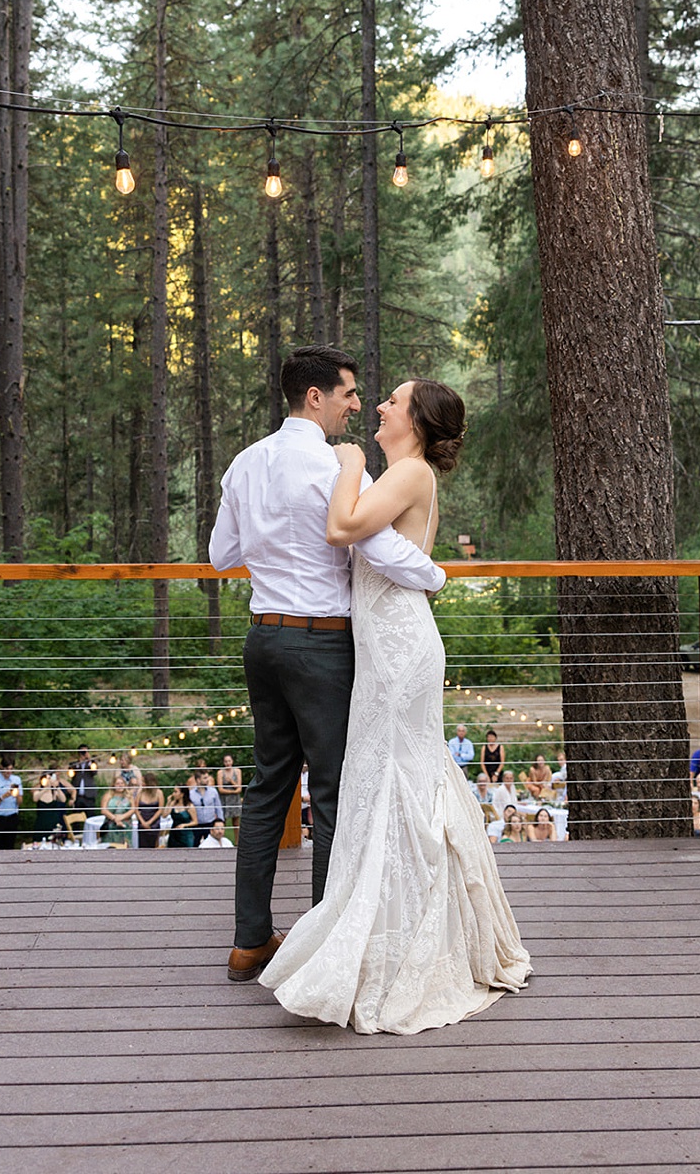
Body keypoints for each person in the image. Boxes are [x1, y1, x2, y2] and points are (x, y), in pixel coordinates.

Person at [260, 376, 531, 1033]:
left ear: (416, 421)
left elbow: (340, 527)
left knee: (399, 781)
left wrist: (349, 462)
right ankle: (404, 925)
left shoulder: (407, 472)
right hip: (386, 645)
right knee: (390, 781)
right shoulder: (403, 474)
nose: (378, 406)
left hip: (402, 648)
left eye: (393, 401)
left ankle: (414, 937)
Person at [209, 346, 446, 984]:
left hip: (264, 639)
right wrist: (435, 574)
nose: (354, 405)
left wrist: (273, 552)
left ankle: (249, 941)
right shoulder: (339, 467)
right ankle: (322, 941)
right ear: (314, 396)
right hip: (323, 644)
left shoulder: (246, 462)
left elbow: (220, 555)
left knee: (267, 787)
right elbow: (384, 549)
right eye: (346, 393)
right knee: (336, 788)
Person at [31, 768, 74, 838]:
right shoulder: (38, 791)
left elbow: (63, 800)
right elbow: (35, 798)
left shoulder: (54, 792)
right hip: (41, 824)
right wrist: (45, 788)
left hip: (53, 824)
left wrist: (56, 787)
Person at [190, 771, 224, 844]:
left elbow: (218, 808)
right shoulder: (191, 794)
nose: (207, 780)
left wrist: (221, 821)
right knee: (195, 845)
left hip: (210, 824)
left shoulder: (213, 791)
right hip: (196, 825)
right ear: (198, 780)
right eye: (205, 778)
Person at [100, 774, 134, 846]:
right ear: (113, 785)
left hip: (125, 826)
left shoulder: (129, 796)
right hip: (111, 826)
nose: (120, 785)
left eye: (122, 783)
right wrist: (115, 819)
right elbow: (103, 810)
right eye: (118, 784)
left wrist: (122, 817)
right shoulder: (108, 795)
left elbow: (133, 809)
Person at [134, 772, 164, 849]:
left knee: (154, 845)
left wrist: (149, 822)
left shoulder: (159, 793)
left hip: (154, 823)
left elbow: (160, 810)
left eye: (144, 782)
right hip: (142, 821)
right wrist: (143, 822)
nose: (142, 784)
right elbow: (136, 809)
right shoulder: (140, 792)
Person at [217, 753, 244, 834]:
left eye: (229, 761)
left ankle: (237, 843)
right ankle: (222, 841)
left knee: (236, 822)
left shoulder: (238, 771)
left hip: (235, 800)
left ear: (232, 761)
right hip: (224, 799)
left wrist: (231, 781)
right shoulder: (220, 772)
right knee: (223, 821)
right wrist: (233, 791)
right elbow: (220, 789)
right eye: (226, 761)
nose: (227, 763)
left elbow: (239, 788)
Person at [67, 746, 98, 816]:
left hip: (89, 796)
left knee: (90, 816)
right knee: (76, 817)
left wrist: (89, 760)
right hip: (77, 796)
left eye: (85, 752)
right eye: (82, 752)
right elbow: (70, 775)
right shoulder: (74, 765)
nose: (84, 754)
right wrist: (79, 763)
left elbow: (94, 772)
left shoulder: (92, 764)